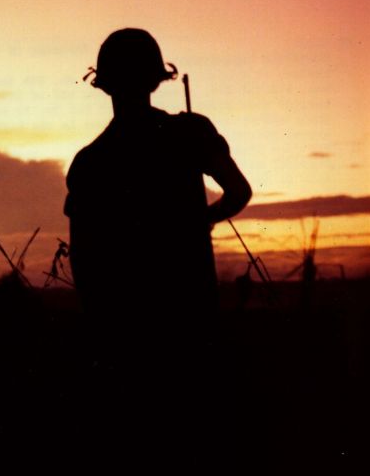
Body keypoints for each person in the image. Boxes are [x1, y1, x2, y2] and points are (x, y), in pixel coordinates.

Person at [64, 28, 251, 469]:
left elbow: (84, 267)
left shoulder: (90, 162)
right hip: (193, 328)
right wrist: (199, 222)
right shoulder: (189, 132)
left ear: (104, 84)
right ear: (156, 80)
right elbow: (238, 192)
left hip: (123, 341)